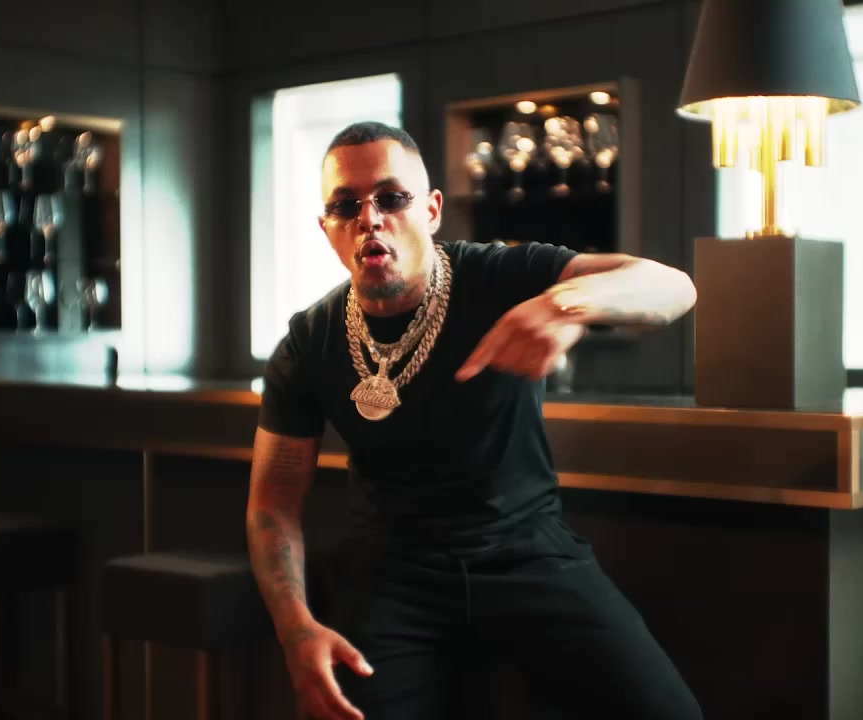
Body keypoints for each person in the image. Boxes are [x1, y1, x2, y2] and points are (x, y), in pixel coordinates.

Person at [246, 121, 702, 720]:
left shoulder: (500, 275)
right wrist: (296, 630)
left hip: (527, 556)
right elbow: (273, 504)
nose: (370, 218)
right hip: (394, 573)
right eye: (345, 205)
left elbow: (673, 287)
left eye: (391, 197)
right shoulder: (310, 340)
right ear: (326, 226)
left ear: (432, 210)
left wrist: (561, 305)